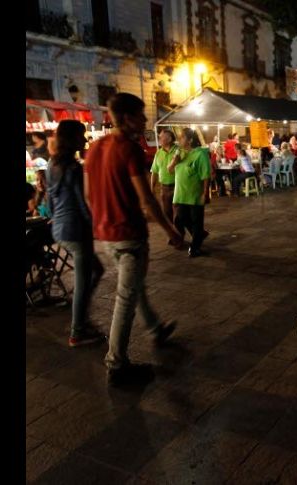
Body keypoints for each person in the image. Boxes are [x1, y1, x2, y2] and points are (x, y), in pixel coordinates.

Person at [84, 92, 185, 387]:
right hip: (128, 235)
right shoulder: (129, 150)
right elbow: (147, 201)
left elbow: (89, 195)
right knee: (126, 297)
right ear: (127, 118)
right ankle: (117, 364)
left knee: (133, 285)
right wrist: (172, 231)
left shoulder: (94, 147)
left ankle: (154, 327)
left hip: (105, 235)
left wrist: (103, 218)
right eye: (141, 115)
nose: (144, 120)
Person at [46, 120, 107, 347]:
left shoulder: (52, 165)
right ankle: (77, 331)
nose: (85, 140)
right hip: (76, 230)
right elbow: (84, 205)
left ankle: (82, 319)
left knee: (95, 271)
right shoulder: (73, 168)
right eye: (81, 136)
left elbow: (51, 202)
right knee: (84, 281)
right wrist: (98, 226)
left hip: (59, 229)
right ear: (72, 139)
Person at [168, 127, 211, 257]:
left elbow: (205, 176)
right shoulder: (179, 153)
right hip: (180, 195)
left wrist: (205, 193)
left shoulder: (200, 154)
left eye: (182, 137)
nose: (179, 140)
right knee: (181, 219)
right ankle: (199, 235)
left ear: (190, 140)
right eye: (179, 137)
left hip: (194, 195)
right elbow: (169, 169)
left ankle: (195, 248)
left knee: (197, 222)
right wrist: (175, 160)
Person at [150, 129, 179, 224]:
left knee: (179, 214)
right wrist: (152, 188)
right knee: (167, 213)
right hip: (164, 188)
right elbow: (154, 171)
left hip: (178, 187)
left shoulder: (178, 151)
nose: (159, 139)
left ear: (169, 139)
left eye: (161, 137)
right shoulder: (158, 153)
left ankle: (181, 234)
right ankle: (174, 236)